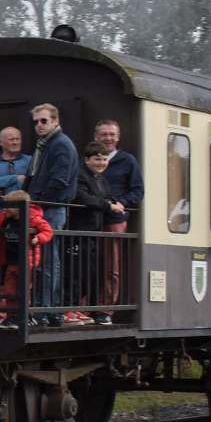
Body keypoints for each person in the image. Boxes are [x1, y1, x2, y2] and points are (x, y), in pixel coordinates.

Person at [23, 104, 78, 326]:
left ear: (55, 121)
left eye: (44, 121)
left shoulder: (60, 144)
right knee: (45, 259)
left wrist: (38, 202)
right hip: (45, 207)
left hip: (51, 208)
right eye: (36, 122)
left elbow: (59, 179)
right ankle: (47, 309)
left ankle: (44, 310)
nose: (39, 125)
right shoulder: (46, 145)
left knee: (46, 260)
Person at [65, 142, 123, 325]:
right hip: (77, 231)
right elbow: (81, 197)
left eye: (105, 159)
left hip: (92, 234)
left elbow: (108, 196)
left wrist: (115, 202)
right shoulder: (81, 176)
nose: (101, 163)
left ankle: (76, 309)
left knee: (87, 273)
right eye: (97, 159)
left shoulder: (101, 179)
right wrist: (108, 206)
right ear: (87, 159)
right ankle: (67, 309)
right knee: (74, 272)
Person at [93, 119, 142, 314]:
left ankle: (106, 310)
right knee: (88, 265)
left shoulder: (127, 161)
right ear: (96, 137)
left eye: (112, 134)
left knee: (110, 267)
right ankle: (84, 308)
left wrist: (122, 203)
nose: (108, 138)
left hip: (114, 221)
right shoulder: (86, 160)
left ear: (118, 137)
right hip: (90, 220)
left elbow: (138, 191)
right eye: (104, 134)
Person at [0, 126, 31, 196]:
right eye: (11, 139)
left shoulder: (30, 160)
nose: (15, 142)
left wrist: (4, 191)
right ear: (0, 142)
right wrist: (15, 178)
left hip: (24, 206)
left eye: (18, 139)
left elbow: (32, 183)